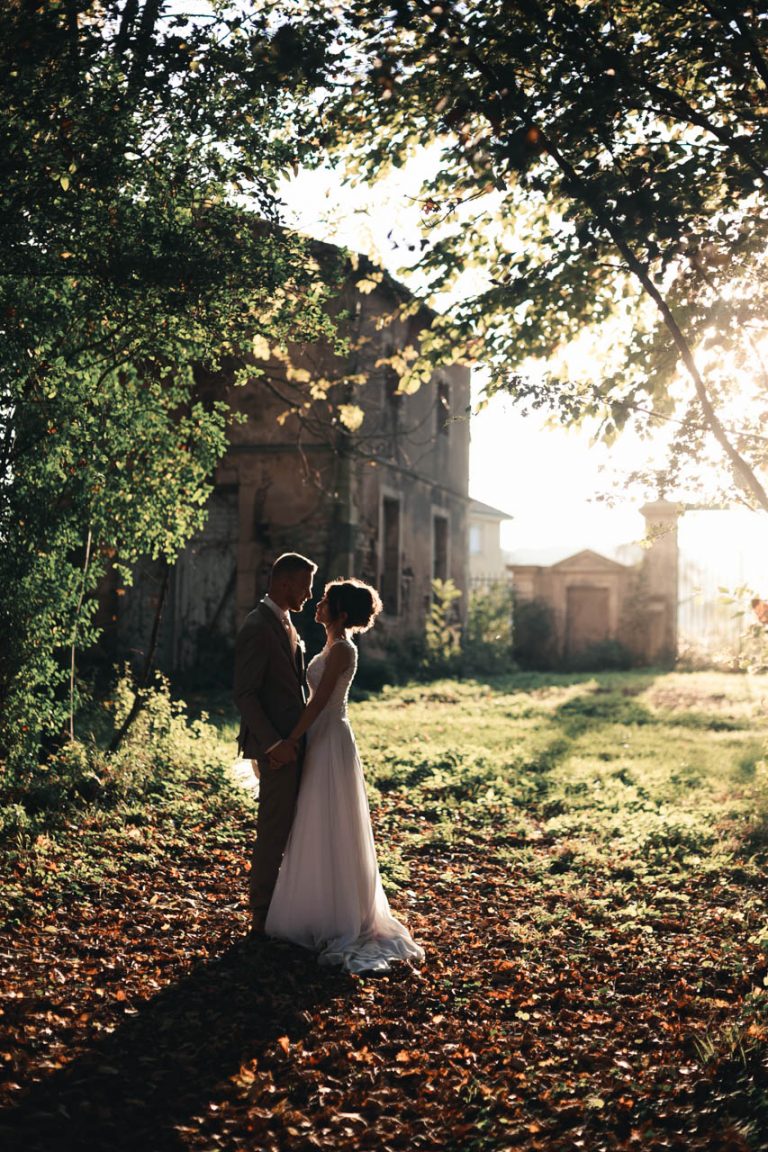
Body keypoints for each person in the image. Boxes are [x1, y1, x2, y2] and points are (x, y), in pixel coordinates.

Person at [265, 578, 425, 974]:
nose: (316, 604)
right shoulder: (329, 647)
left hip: (330, 739)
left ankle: (337, 914)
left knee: (330, 816)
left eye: (324, 601)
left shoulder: (341, 650)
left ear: (338, 613)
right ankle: (315, 903)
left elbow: (319, 703)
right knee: (314, 818)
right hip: (322, 736)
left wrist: (290, 739)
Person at [233, 552, 317, 935]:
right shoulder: (257, 625)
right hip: (277, 749)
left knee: (290, 825)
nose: (309, 594)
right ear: (284, 583)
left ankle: (284, 904)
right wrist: (274, 745)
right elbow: (246, 695)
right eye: (305, 585)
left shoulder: (286, 623)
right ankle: (262, 912)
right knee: (273, 827)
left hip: (295, 744)